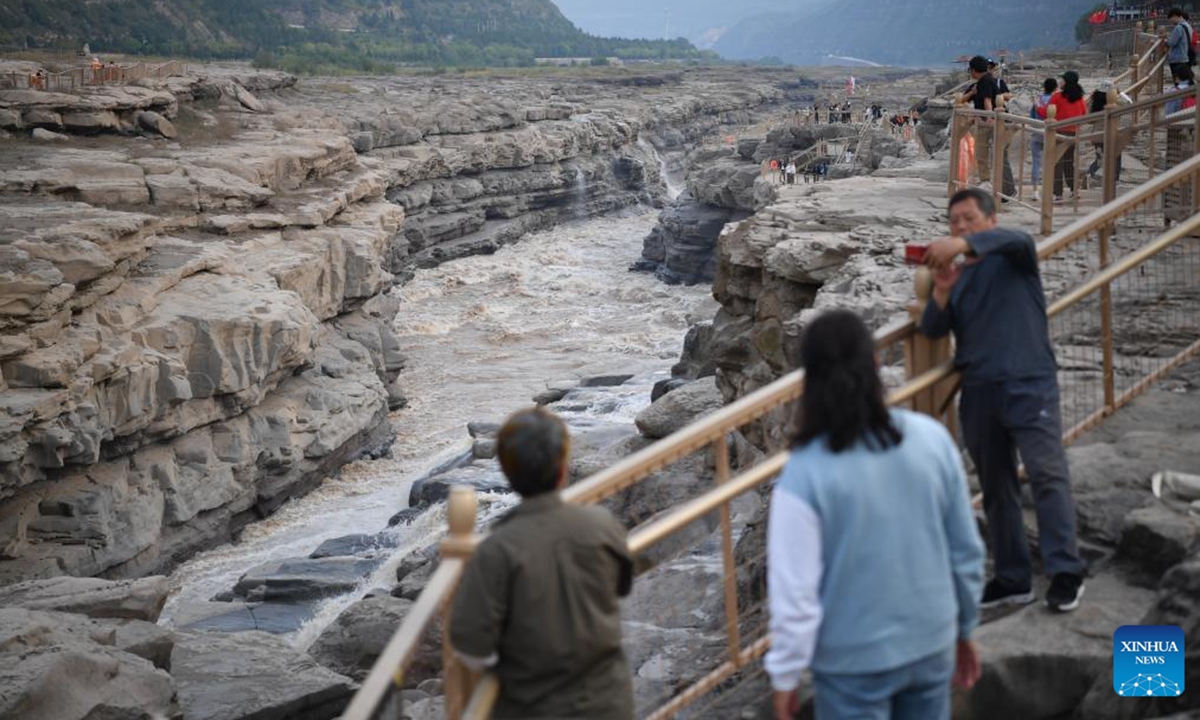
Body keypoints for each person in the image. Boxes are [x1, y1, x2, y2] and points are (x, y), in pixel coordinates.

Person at [766, 309, 985, 720]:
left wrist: (786, 675)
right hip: (930, 641)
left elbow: (795, 596)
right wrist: (965, 628)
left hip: (852, 662)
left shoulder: (804, 473)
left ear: (809, 379)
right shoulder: (931, 439)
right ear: (876, 364)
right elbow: (965, 552)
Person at [920, 188, 1088, 615]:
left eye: (969, 218)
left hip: (1028, 382)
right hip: (979, 392)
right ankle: (1013, 578)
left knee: (1047, 474)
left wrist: (962, 244)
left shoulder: (1014, 254)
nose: (960, 226)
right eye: (953, 221)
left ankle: (1066, 571)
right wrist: (940, 291)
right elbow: (935, 330)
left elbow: (1018, 239)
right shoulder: (961, 278)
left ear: (990, 221)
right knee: (996, 487)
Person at [450, 408, 634, 719]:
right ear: (563, 469)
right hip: (610, 703)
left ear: (507, 474)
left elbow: (470, 646)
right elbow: (622, 585)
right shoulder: (602, 524)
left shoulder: (498, 548)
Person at [966, 55, 1015, 199]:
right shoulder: (984, 81)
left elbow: (988, 101)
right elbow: (965, 98)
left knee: (999, 156)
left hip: (993, 123)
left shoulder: (985, 81)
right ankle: (999, 188)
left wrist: (988, 118)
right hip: (992, 121)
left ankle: (1005, 190)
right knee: (988, 154)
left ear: (973, 70)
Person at [1045, 71, 1088, 204]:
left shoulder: (1057, 97)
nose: (1060, 82)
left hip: (1058, 133)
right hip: (1073, 133)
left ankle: (1058, 194)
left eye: (1062, 79)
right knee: (1069, 163)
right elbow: (1083, 113)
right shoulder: (1080, 98)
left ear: (1066, 81)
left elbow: (1049, 112)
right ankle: (1074, 190)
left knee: (1057, 163)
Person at [1030, 78, 1057, 198]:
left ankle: (1035, 191)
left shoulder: (1038, 100)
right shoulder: (1055, 99)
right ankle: (1051, 189)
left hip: (1037, 132)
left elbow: (1031, 116)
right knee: (1052, 161)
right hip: (1051, 132)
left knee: (1036, 162)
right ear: (1055, 88)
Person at [1166, 8, 1194, 82]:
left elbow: (1171, 43)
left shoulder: (1178, 27)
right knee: (1185, 81)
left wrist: (1165, 40)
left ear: (1175, 16)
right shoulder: (1188, 26)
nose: (1170, 22)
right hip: (1185, 57)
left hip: (1177, 59)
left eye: (1171, 19)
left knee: (1177, 81)